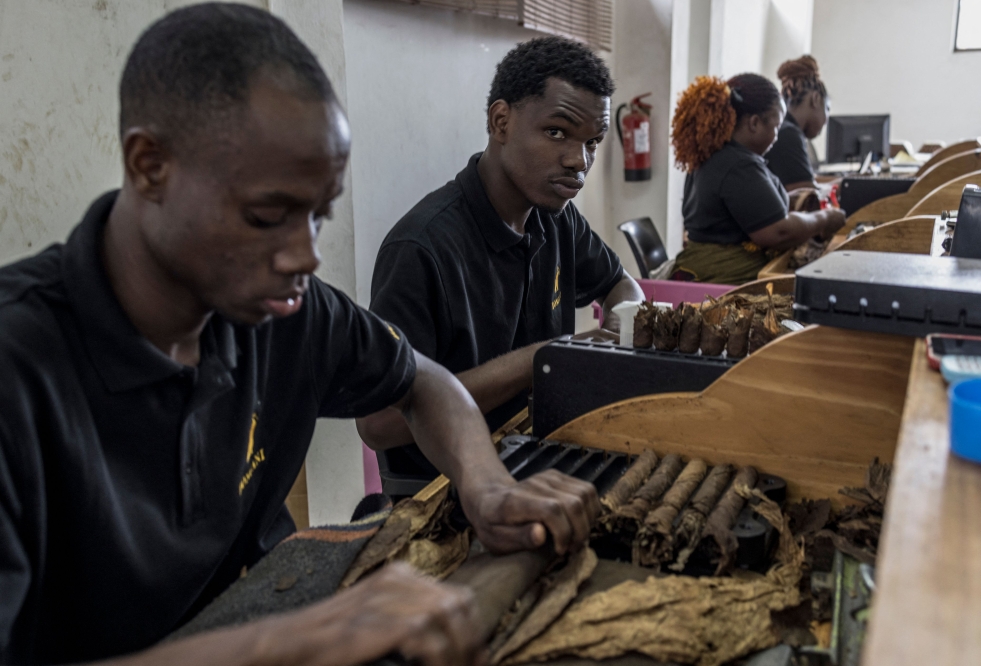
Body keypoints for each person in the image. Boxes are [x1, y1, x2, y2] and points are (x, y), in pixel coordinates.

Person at [0, 5, 599, 665]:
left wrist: (485, 485)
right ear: (150, 166)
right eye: (267, 214)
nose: (305, 256)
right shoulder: (20, 366)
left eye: (318, 216)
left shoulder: (285, 307)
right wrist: (287, 640)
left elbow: (423, 380)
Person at [359, 37, 644, 477]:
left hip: (537, 451)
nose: (578, 160)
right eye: (557, 132)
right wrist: (543, 359)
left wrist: (622, 326)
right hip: (446, 491)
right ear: (501, 121)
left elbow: (620, 283)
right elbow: (378, 423)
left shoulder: (557, 218)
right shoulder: (421, 248)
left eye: (593, 141)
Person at [669, 74, 846, 285]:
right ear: (754, 123)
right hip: (723, 276)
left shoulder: (716, 155)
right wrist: (824, 219)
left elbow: (748, 208)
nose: (777, 136)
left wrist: (788, 198)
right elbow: (778, 232)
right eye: (776, 127)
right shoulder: (739, 165)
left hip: (703, 268)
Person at [766, 55, 831, 191]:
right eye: (827, 109)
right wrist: (846, 186)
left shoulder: (783, 126)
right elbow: (807, 196)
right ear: (816, 99)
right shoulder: (788, 134)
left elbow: (807, 180)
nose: (825, 121)